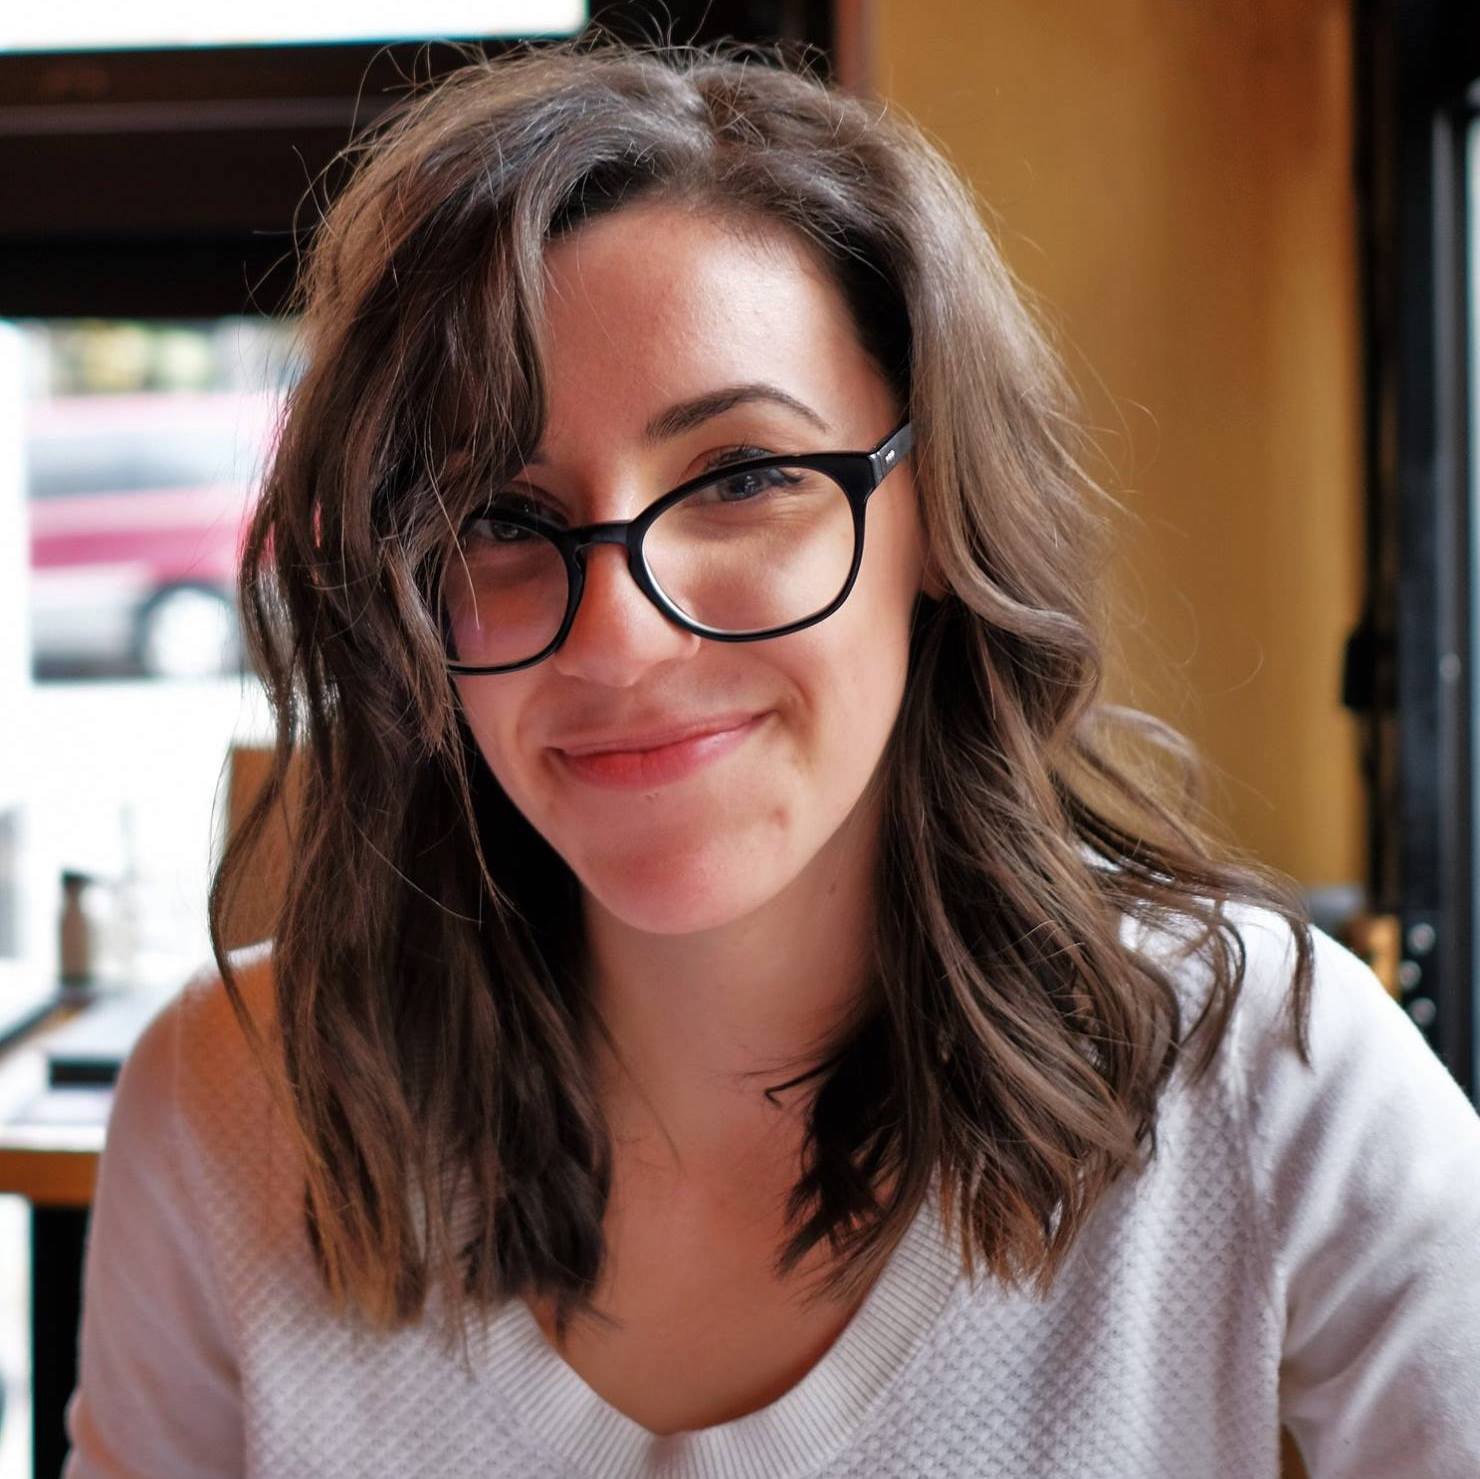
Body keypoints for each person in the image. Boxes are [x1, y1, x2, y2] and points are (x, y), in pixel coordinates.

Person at [63, 39, 1480, 1479]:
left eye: (742, 479)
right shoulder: (230, 1108)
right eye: (497, 515)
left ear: (938, 517)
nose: (616, 640)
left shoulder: (1264, 1082)